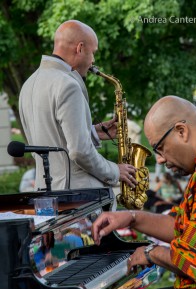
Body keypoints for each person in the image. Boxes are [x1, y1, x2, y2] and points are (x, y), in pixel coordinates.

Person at [92, 95, 196, 289]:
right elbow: (184, 228)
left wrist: (150, 253)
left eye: (160, 148)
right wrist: (131, 217)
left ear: (181, 131)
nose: (160, 158)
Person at [19, 20, 136, 191]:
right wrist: (115, 170)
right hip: (78, 198)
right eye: (93, 52)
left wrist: (94, 132)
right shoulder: (68, 84)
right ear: (80, 48)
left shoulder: (28, 84)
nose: (93, 60)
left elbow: (53, 138)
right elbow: (79, 152)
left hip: (46, 192)